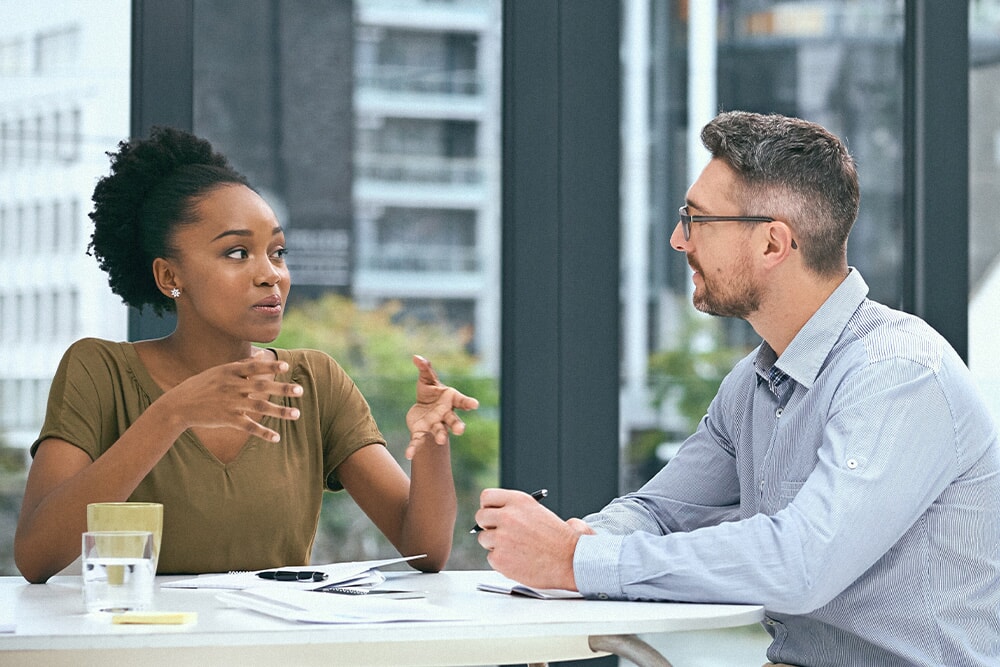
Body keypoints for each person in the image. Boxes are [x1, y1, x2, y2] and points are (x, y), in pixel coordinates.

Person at [475, 111, 1000, 666]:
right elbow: (661, 511)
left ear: (773, 243)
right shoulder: (753, 384)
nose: (679, 240)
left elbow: (802, 564)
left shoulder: (898, 372)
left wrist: (577, 560)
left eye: (697, 219)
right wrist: (576, 538)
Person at [14, 126, 479, 584]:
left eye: (277, 252)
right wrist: (171, 414)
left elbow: (425, 550)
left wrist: (432, 441)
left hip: (276, 651)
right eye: (237, 253)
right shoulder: (100, 372)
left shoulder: (314, 381)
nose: (270, 275)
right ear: (169, 275)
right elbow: (36, 557)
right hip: (149, 648)